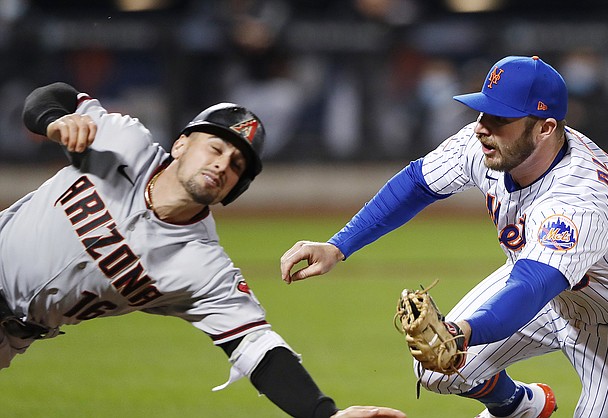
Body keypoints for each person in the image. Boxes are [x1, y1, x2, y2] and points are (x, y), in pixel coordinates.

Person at [280, 56, 608, 418]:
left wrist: (462, 331)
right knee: (438, 368)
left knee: (454, 346)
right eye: (483, 112)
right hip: (552, 289)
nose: (482, 128)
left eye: (500, 119)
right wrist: (338, 245)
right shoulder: (487, 143)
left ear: (546, 127)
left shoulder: (577, 200)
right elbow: (416, 184)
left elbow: (530, 289)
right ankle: (520, 407)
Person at [0, 82, 406, 418]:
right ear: (180, 145)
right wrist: (56, 120)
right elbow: (52, 96)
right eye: (215, 148)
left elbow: (257, 347)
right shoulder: (121, 141)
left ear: (236, 189)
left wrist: (324, 415)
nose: (222, 165)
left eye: (235, 165)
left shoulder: (203, 267)